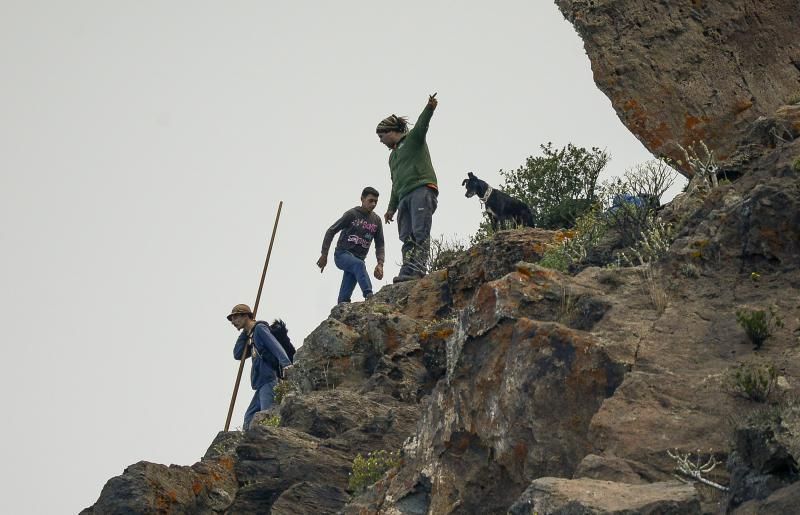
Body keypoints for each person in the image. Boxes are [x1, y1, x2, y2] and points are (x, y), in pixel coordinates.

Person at [376, 93, 439, 283]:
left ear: (391, 131)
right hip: (403, 196)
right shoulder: (392, 158)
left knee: (420, 231)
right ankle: (407, 272)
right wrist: (390, 208)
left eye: (381, 136)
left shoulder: (413, 139)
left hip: (421, 189)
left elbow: (422, 125)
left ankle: (418, 268)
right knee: (406, 236)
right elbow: (395, 184)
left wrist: (429, 108)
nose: (380, 141)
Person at [228, 303, 292, 430]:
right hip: (261, 384)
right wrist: (246, 332)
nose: (233, 322)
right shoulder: (251, 335)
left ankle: (271, 441)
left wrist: (286, 364)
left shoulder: (260, 329)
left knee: (267, 416)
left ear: (245, 316)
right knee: (249, 418)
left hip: (269, 381)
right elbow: (237, 354)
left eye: (235, 318)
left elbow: (275, 346)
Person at [317, 186, 385, 303]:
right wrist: (324, 255)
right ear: (362, 199)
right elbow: (331, 231)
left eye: (376, 202)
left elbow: (380, 244)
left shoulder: (376, 220)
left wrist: (380, 264)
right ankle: (370, 296)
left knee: (344, 298)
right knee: (358, 265)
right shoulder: (352, 214)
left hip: (358, 260)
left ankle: (341, 309)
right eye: (371, 200)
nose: (373, 204)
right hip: (342, 255)